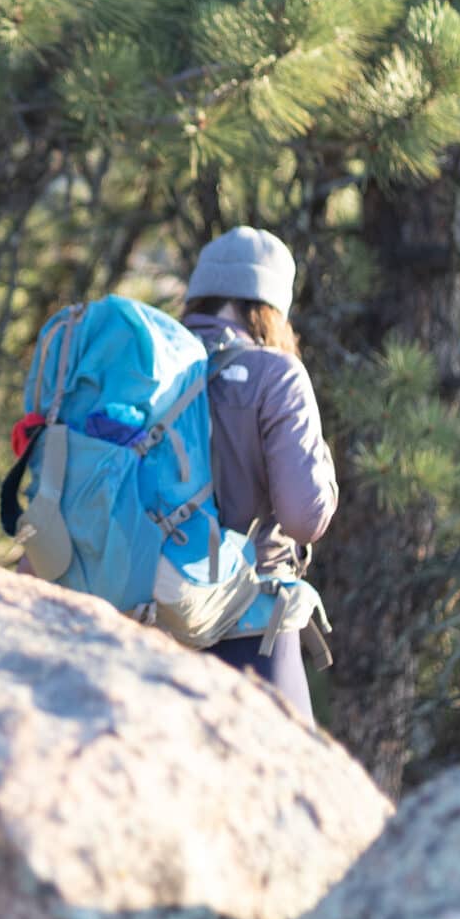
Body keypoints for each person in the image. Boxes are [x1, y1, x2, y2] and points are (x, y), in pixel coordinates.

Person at [180, 227, 337, 726]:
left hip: (148, 616)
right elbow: (303, 517)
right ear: (270, 309)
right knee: (285, 793)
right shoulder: (276, 374)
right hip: (250, 629)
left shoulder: (154, 365)